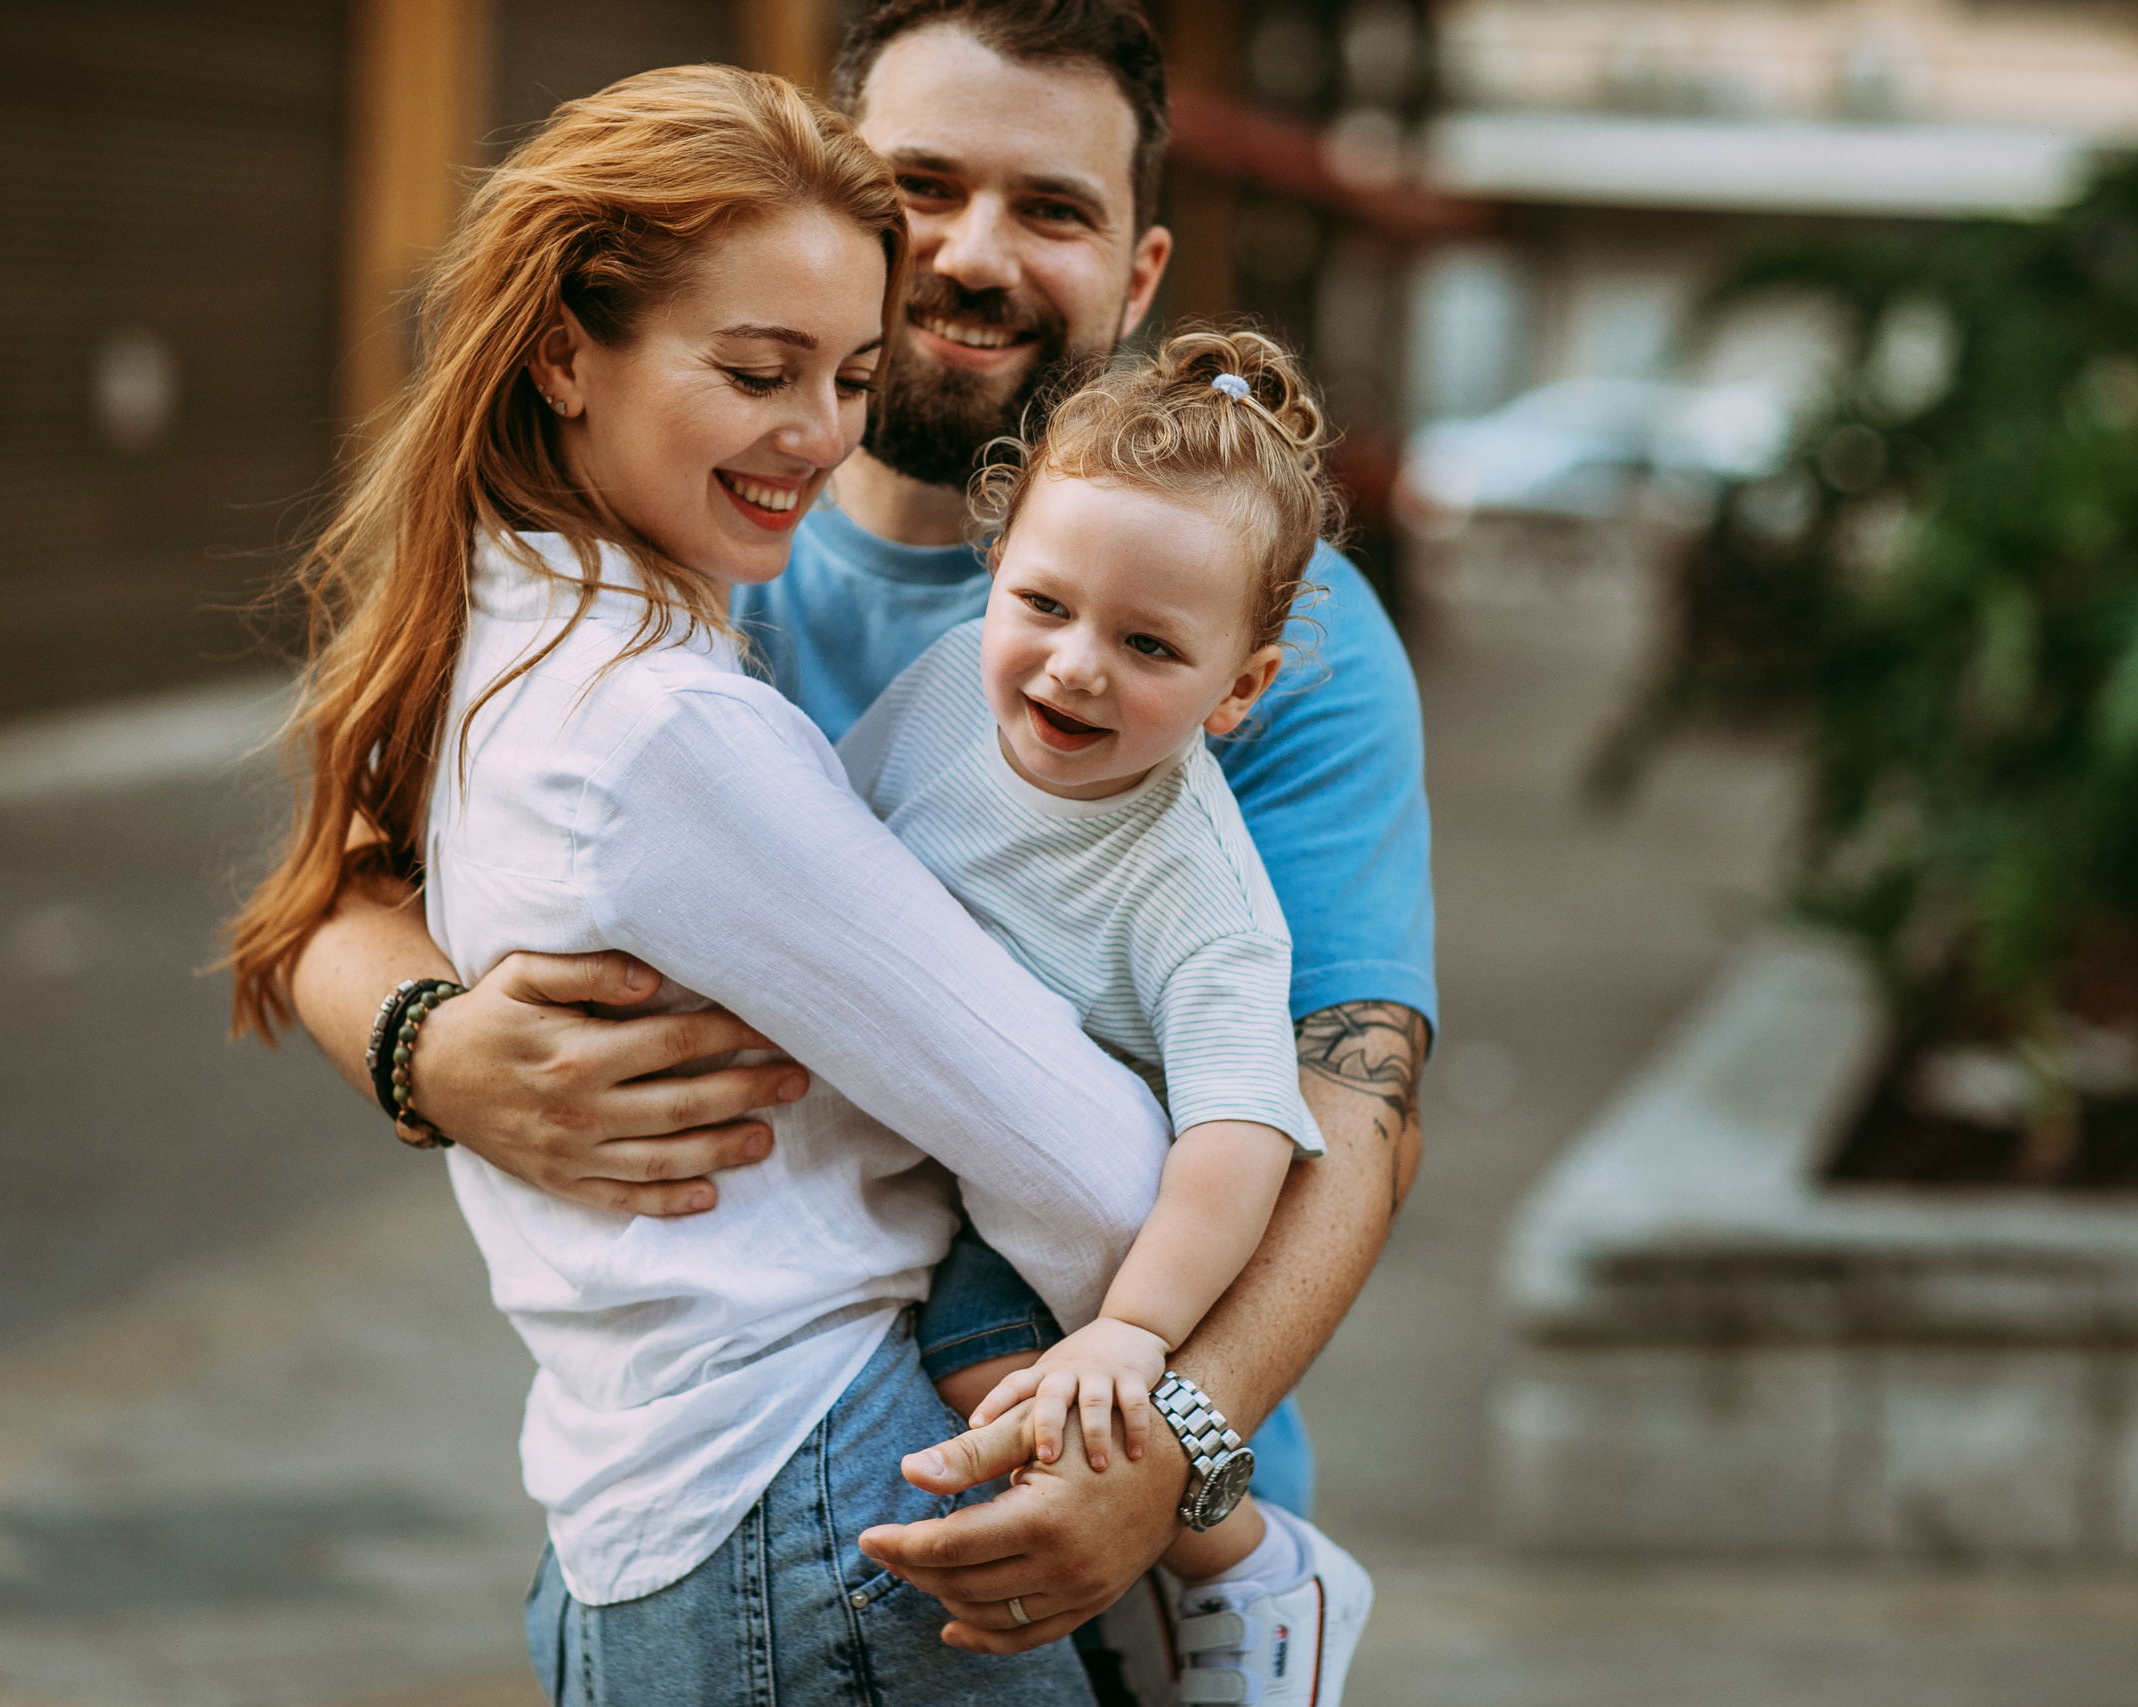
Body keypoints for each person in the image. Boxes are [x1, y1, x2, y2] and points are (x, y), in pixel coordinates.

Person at [283, 0, 1435, 1691]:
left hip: (1104, 1470)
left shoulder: (1261, 615)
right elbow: (333, 892)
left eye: (1053, 208)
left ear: (1138, 271)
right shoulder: (709, 534)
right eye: (923, 193)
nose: (974, 253)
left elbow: (1352, 1096)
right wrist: (429, 1047)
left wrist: (1175, 1447)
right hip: (741, 1464)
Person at [845, 325, 1378, 1705]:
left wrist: (1135, 1329)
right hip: (925, 1133)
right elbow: (823, 843)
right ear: (995, 573)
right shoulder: (939, 699)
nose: (1075, 668)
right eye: (1044, 605)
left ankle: (1249, 1567)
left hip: (1081, 1226)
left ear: (1239, 688)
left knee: (1015, 1396)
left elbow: (1242, 1136)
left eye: (1149, 645)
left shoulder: (1198, 887)